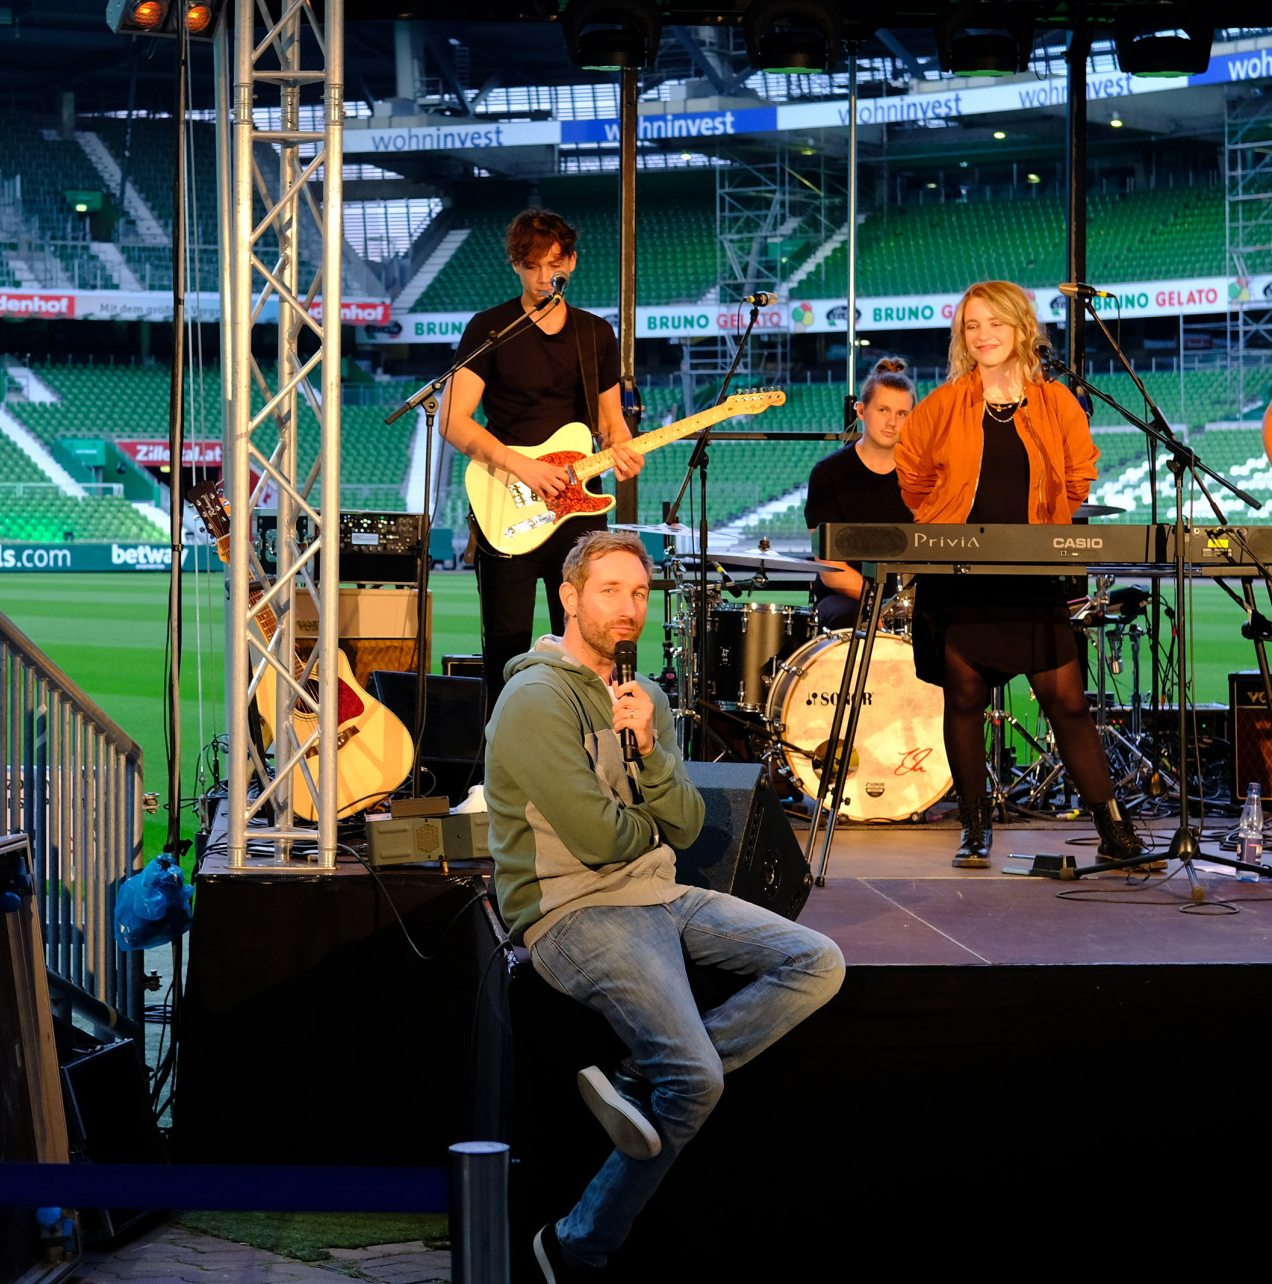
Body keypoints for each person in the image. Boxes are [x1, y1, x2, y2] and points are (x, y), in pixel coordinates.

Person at [484, 529, 845, 1279]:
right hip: (572, 909)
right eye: (609, 590)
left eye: (639, 593)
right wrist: (648, 817)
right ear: (570, 596)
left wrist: (647, 748)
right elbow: (595, 837)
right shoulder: (531, 699)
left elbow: (686, 824)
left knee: (817, 960)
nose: (626, 608)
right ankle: (575, 1242)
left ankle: (637, 1085)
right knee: (699, 1080)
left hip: (658, 891)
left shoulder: (641, 695)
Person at [895, 280, 1158, 870]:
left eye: (995, 323)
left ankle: (1111, 825)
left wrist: (1049, 524)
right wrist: (942, 519)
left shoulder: (1055, 401)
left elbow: (1078, 470)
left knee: (1066, 701)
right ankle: (974, 825)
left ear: (1021, 328)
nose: (983, 335)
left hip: (1031, 571)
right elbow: (911, 472)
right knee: (964, 697)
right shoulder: (944, 403)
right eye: (971, 325)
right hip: (960, 573)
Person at [440, 208, 644, 696]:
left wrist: (623, 450)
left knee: (590, 645)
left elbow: (611, 424)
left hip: (578, 509)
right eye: (529, 265)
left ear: (570, 262)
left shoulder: (594, 333)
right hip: (506, 498)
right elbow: (451, 418)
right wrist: (524, 467)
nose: (541, 277)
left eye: (551, 264)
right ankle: (505, 760)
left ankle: (591, 758)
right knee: (506, 646)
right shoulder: (490, 329)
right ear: (515, 266)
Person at [805, 356, 917, 631]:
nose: (892, 422)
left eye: (902, 414)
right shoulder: (828, 474)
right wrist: (877, 604)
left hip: (909, 598)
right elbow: (830, 568)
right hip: (845, 597)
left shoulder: (921, 473)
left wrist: (902, 604)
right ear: (861, 411)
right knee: (848, 619)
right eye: (883, 410)